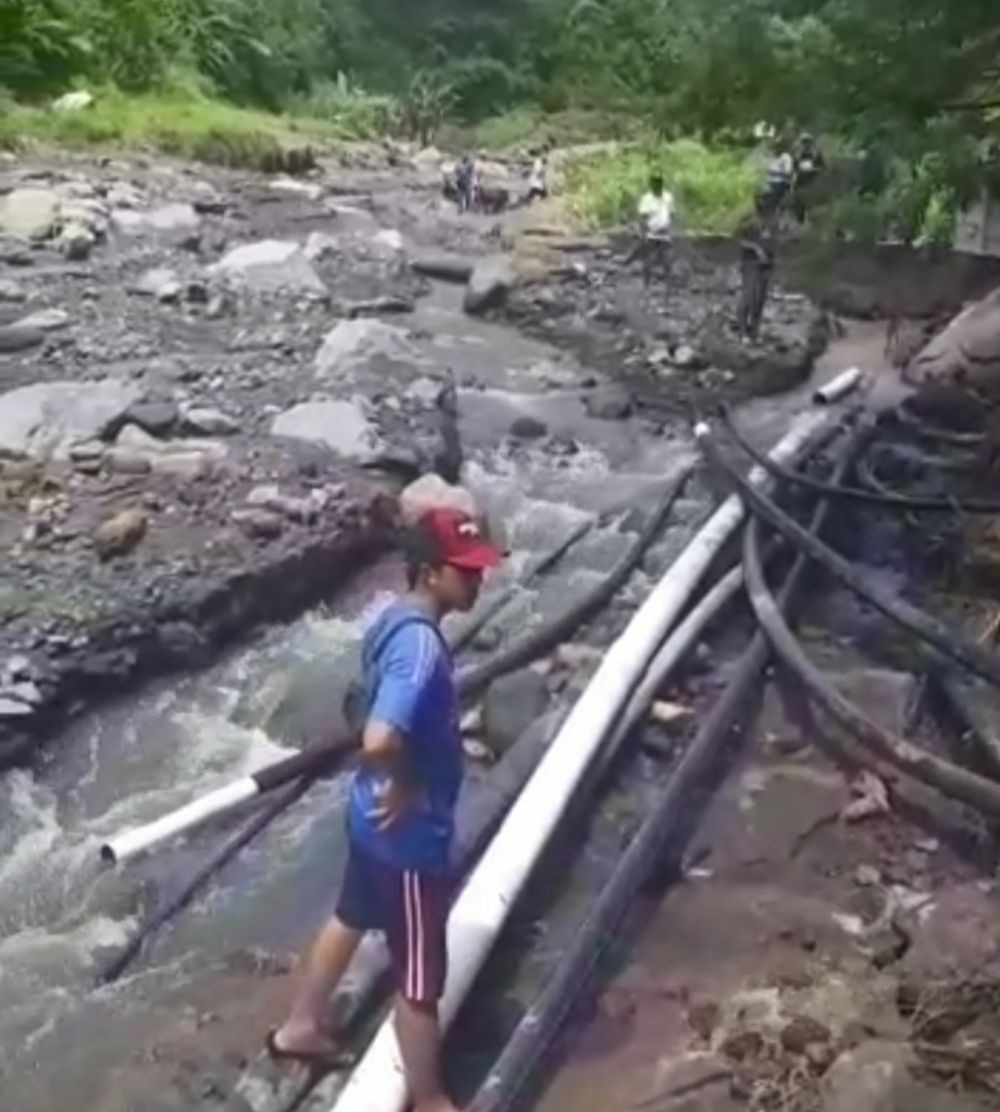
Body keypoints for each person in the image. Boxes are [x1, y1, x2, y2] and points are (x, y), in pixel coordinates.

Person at [269, 509, 503, 1112]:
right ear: (429, 574)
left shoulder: (392, 620)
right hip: (408, 842)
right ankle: (427, 1098)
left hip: (366, 819)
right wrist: (403, 780)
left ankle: (300, 1028)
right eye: (466, 572)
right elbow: (377, 736)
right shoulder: (422, 649)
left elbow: (361, 705)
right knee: (422, 980)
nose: (479, 582)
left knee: (349, 915)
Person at [737, 216, 775, 342]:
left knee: (760, 301)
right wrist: (755, 248)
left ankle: (755, 333)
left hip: (766, 266)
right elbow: (739, 240)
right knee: (748, 298)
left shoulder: (774, 222)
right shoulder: (749, 220)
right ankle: (743, 333)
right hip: (750, 265)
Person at [636, 171, 675, 285]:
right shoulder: (646, 199)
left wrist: (671, 228)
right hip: (651, 235)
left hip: (665, 234)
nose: (658, 185)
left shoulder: (668, 197)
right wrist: (643, 234)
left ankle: (668, 286)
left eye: (660, 182)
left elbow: (672, 214)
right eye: (655, 183)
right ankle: (646, 284)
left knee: (667, 261)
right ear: (651, 184)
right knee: (649, 261)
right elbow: (643, 217)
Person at [757, 140, 794, 224]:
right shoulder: (769, 158)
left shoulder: (785, 157)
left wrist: (772, 172)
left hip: (780, 183)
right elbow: (761, 170)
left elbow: (788, 173)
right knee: (759, 198)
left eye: (776, 147)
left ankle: (772, 219)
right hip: (768, 183)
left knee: (770, 200)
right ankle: (765, 220)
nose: (774, 150)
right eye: (772, 148)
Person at [791, 132, 825, 223]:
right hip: (801, 181)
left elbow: (822, 168)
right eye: (803, 142)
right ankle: (800, 221)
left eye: (807, 142)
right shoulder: (797, 155)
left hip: (813, 181)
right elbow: (794, 169)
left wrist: (813, 169)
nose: (805, 144)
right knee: (797, 202)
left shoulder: (816, 154)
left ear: (811, 142)